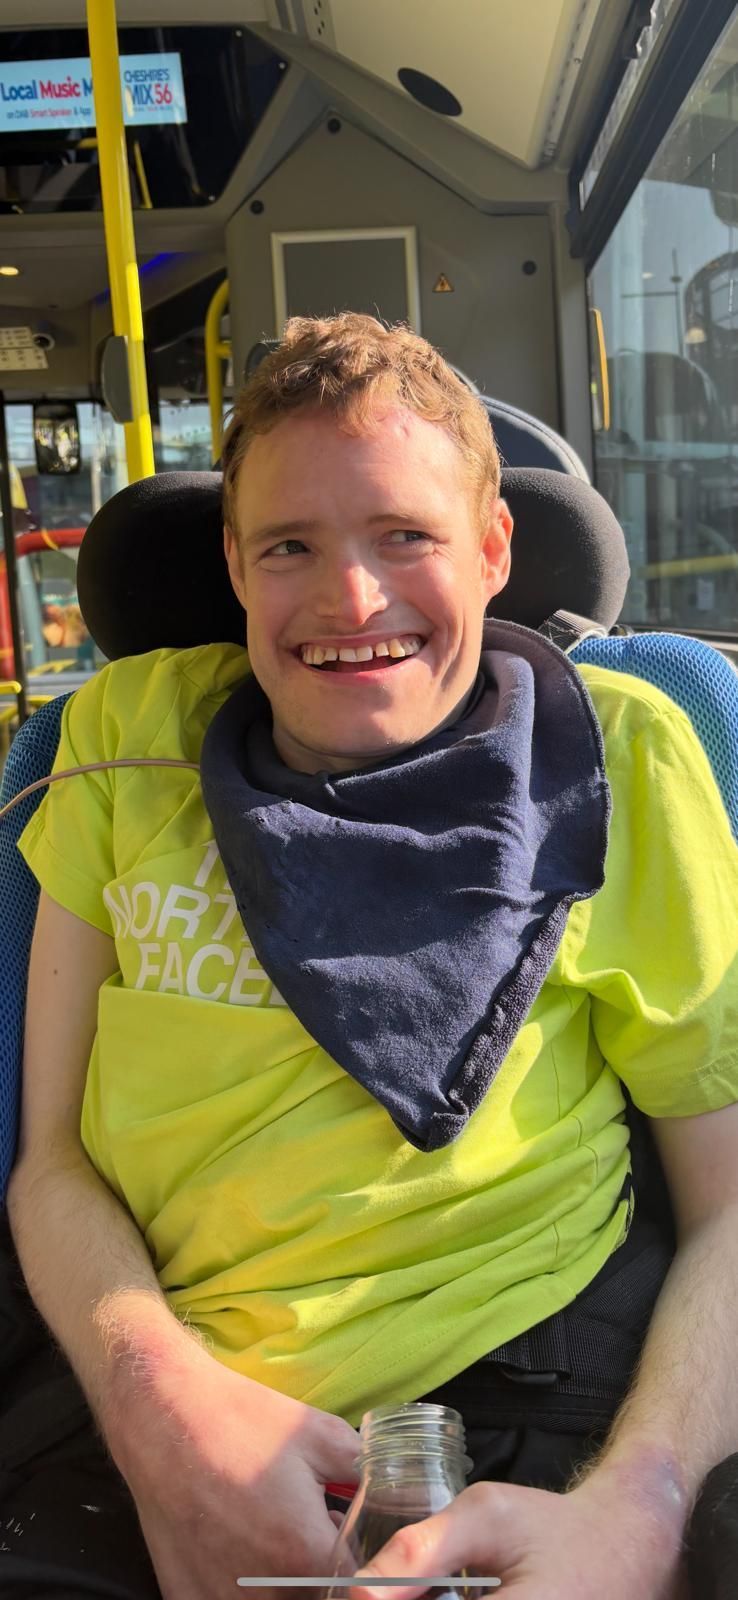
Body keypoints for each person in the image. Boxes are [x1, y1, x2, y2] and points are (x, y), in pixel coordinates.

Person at [3, 313, 737, 1600]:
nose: (352, 603)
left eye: (407, 534)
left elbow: (733, 1204)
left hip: (543, 1409)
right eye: (291, 546)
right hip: (163, 1398)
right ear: (233, 564)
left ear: (495, 546)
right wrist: (157, 1412)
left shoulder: (625, 751)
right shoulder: (121, 741)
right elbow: (50, 1161)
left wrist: (643, 1504)